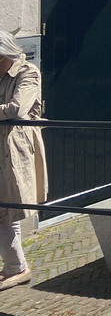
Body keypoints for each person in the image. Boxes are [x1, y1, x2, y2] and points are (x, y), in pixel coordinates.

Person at [0, 31, 47, 291]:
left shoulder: (27, 73)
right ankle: (14, 267)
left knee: (5, 210)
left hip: (14, 150)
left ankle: (16, 268)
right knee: (6, 212)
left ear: (6, 55)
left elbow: (17, 109)